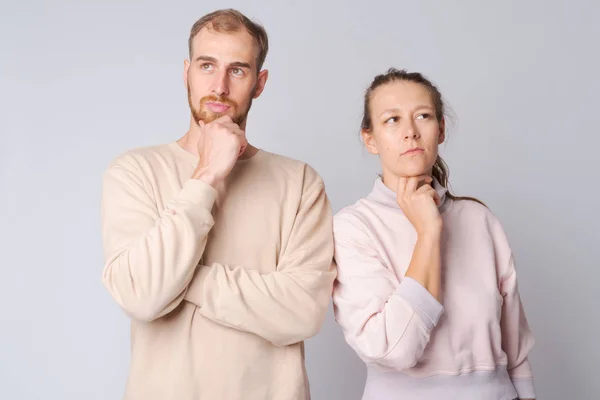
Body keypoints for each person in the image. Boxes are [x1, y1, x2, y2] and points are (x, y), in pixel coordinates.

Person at [100, 9, 336, 400]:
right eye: (207, 66)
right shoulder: (134, 171)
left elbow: (302, 312)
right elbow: (142, 296)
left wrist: (182, 277)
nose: (220, 86)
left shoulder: (300, 182)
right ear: (187, 72)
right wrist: (207, 174)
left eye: (238, 70)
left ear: (259, 83)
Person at [331, 68, 536, 400]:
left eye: (422, 116)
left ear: (440, 130)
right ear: (370, 139)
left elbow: (516, 350)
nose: (410, 132)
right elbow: (395, 350)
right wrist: (428, 233)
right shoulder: (354, 227)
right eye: (392, 120)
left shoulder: (479, 219)